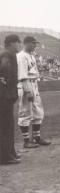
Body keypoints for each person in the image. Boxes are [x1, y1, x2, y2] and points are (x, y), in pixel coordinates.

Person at [17, 36, 51, 148]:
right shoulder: (21, 56)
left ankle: (37, 138)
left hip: (33, 83)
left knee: (38, 112)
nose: (35, 45)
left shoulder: (31, 56)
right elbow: (22, 76)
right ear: (27, 43)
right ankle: (26, 141)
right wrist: (28, 90)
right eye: (33, 43)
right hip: (25, 84)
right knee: (25, 113)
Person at [0, 35, 22, 165]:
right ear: (12, 43)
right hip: (4, 97)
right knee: (5, 126)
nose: (19, 45)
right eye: (18, 43)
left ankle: (10, 152)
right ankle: (5, 156)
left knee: (7, 125)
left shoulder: (6, 53)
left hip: (5, 96)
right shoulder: (7, 54)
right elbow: (5, 68)